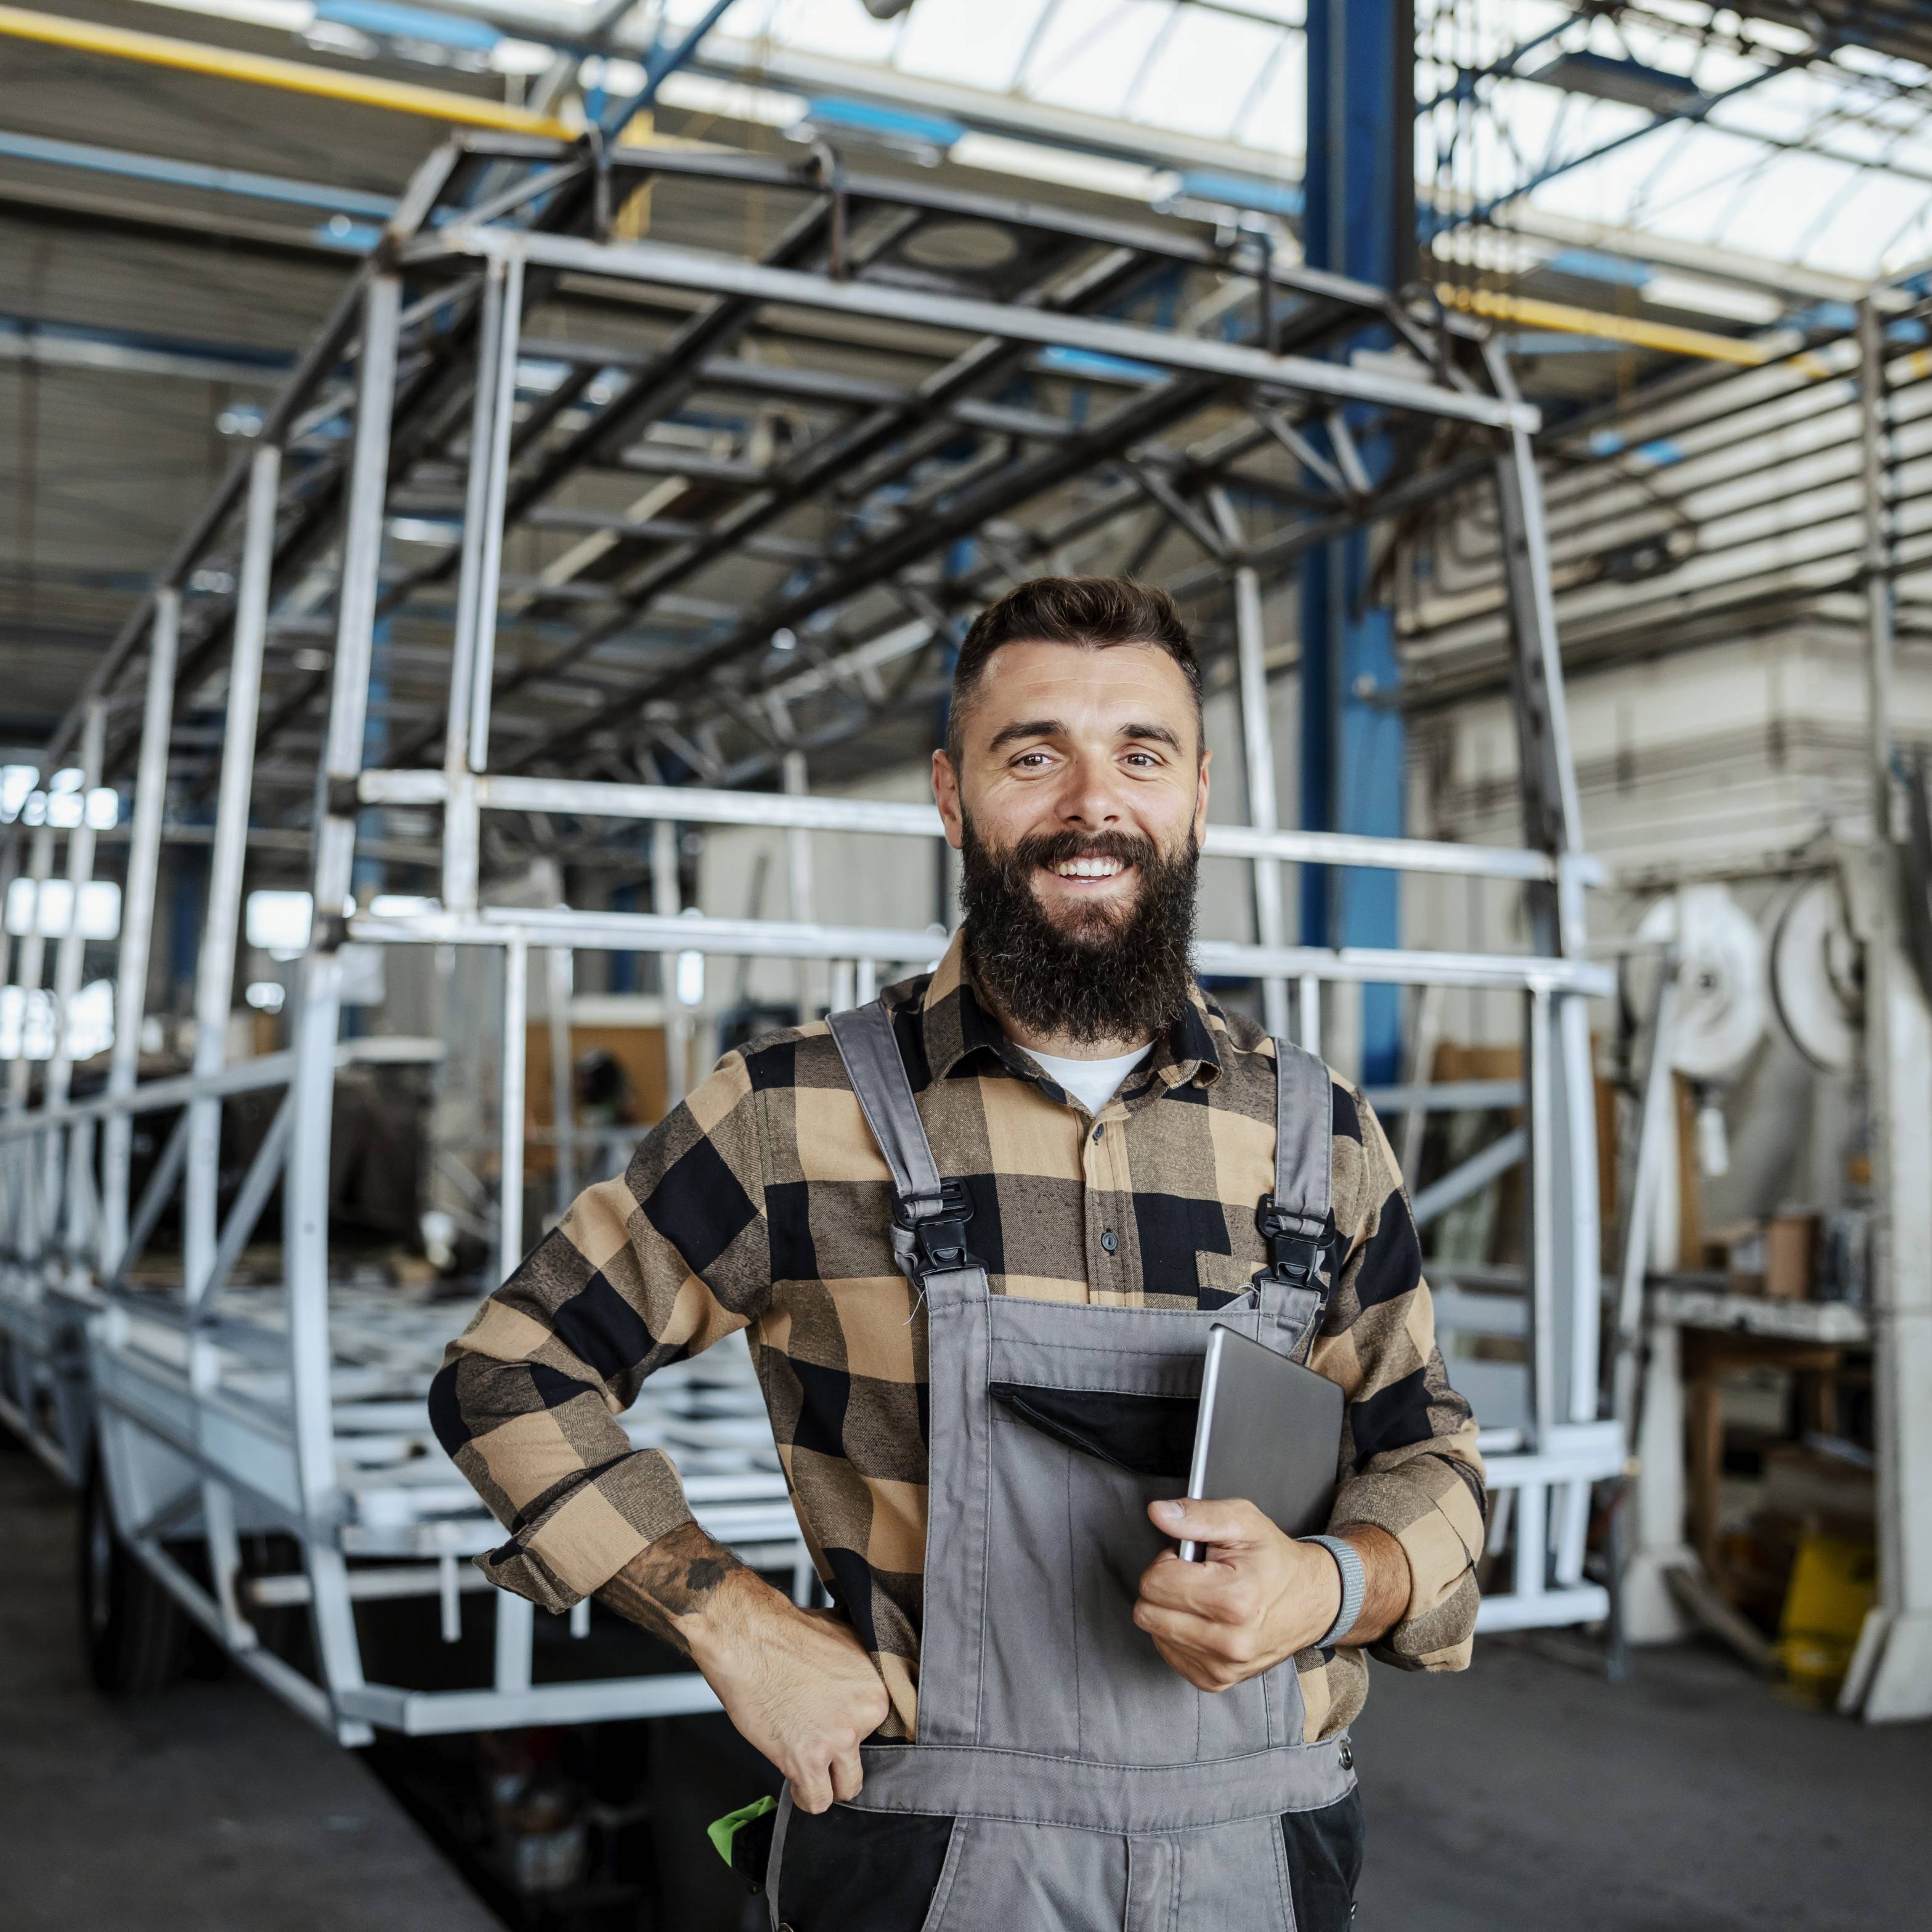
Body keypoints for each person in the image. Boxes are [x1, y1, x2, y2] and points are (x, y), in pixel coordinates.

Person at [431, 576, 1485, 1930]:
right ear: (950, 794)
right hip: (923, 1863)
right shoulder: (790, 1112)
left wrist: (1332, 1581)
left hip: (1255, 1853)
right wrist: (731, 1622)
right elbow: (507, 1374)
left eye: (1138, 754)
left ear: (1198, 792)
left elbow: (1434, 1460)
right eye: (1032, 753)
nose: (1090, 802)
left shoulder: (1313, 1131)